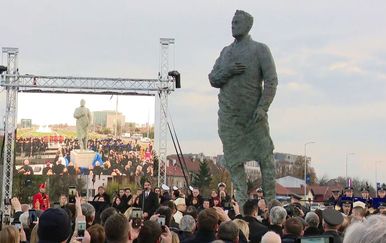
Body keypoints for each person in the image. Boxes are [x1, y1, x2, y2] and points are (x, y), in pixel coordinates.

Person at [209, 10, 278, 206]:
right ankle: (241, 200)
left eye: (237, 22)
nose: (233, 26)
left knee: (265, 155)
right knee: (233, 160)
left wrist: (263, 107)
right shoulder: (226, 52)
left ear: (248, 26)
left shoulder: (260, 50)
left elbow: (272, 82)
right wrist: (228, 71)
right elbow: (213, 78)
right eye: (232, 22)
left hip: (253, 116)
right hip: (230, 117)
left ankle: (271, 201)